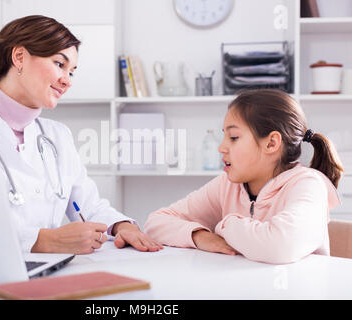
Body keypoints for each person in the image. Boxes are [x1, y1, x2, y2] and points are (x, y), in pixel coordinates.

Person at [0, 15, 163, 254]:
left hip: (51, 274)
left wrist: (121, 226)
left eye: (72, 72)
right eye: (60, 64)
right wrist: (40, 240)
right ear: (19, 57)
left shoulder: (58, 136)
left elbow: (88, 205)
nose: (67, 81)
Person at [144, 89, 343, 264]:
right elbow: (155, 223)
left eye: (233, 137)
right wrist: (199, 235)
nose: (221, 147)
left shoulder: (308, 185)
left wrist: (223, 225)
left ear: (271, 143)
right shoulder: (228, 185)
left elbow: (279, 246)